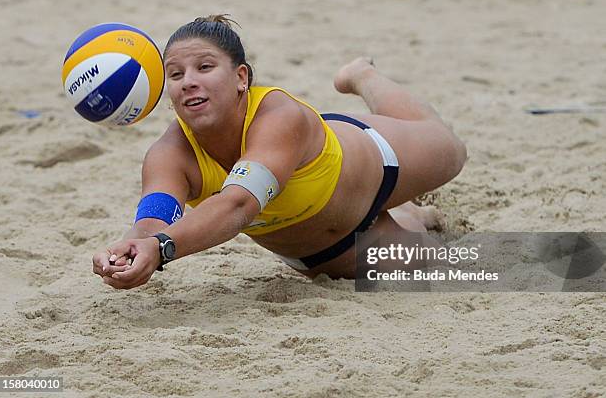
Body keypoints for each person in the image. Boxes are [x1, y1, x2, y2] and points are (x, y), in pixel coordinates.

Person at [92, 15, 467, 290]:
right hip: (326, 251)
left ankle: (361, 76)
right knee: (422, 259)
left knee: (451, 150)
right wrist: (132, 250)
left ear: (241, 77)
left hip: (375, 164)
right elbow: (154, 225)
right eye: (175, 75)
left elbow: (238, 205)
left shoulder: (278, 115)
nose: (189, 80)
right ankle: (410, 212)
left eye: (204, 67)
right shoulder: (168, 154)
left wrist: (161, 249)